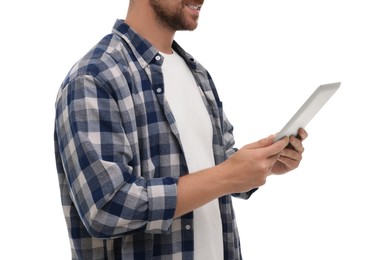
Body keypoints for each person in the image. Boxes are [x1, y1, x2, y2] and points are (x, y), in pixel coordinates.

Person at [54, 0, 308, 259]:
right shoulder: (94, 77)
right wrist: (227, 175)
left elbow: (211, 163)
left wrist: (262, 161)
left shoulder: (197, 73)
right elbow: (106, 208)